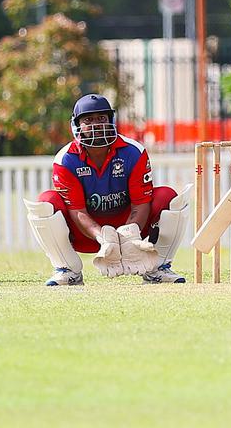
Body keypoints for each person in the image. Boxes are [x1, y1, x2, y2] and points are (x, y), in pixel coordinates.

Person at [23, 94, 192, 286]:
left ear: (111, 121)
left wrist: (129, 235)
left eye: (101, 118)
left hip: (132, 228)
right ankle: (67, 270)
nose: (96, 125)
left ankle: (158, 268)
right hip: (86, 235)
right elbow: (77, 211)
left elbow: (141, 202)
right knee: (45, 202)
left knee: (168, 197)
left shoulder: (133, 151)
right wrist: (102, 236)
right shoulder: (66, 159)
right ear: (76, 124)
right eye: (88, 120)